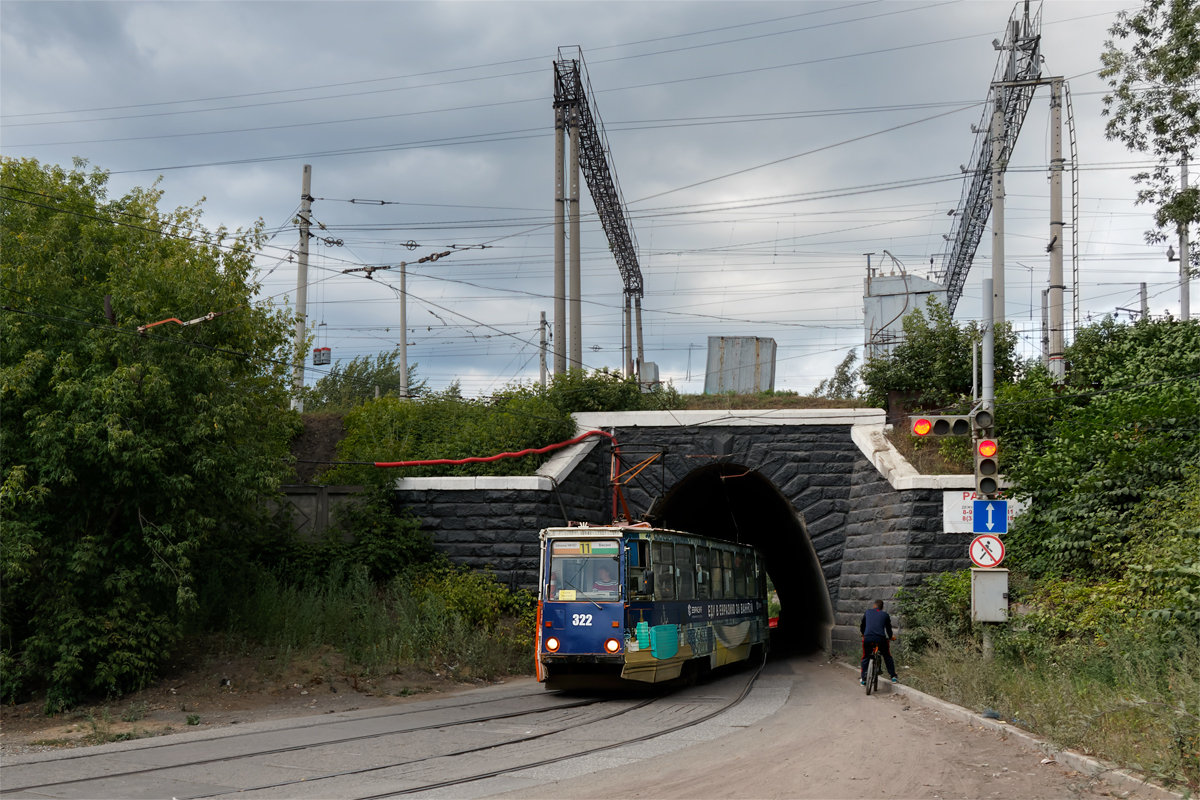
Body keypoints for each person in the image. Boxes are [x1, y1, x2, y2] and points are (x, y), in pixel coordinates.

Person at [860, 599, 898, 685]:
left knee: (865, 656)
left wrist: (863, 634)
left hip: (868, 639)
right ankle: (893, 677)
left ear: (874, 606)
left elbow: (863, 625)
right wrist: (891, 636)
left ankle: (863, 679)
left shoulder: (867, 612)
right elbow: (888, 629)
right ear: (882, 608)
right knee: (887, 656)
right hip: (880, 639)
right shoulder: (885, 615)